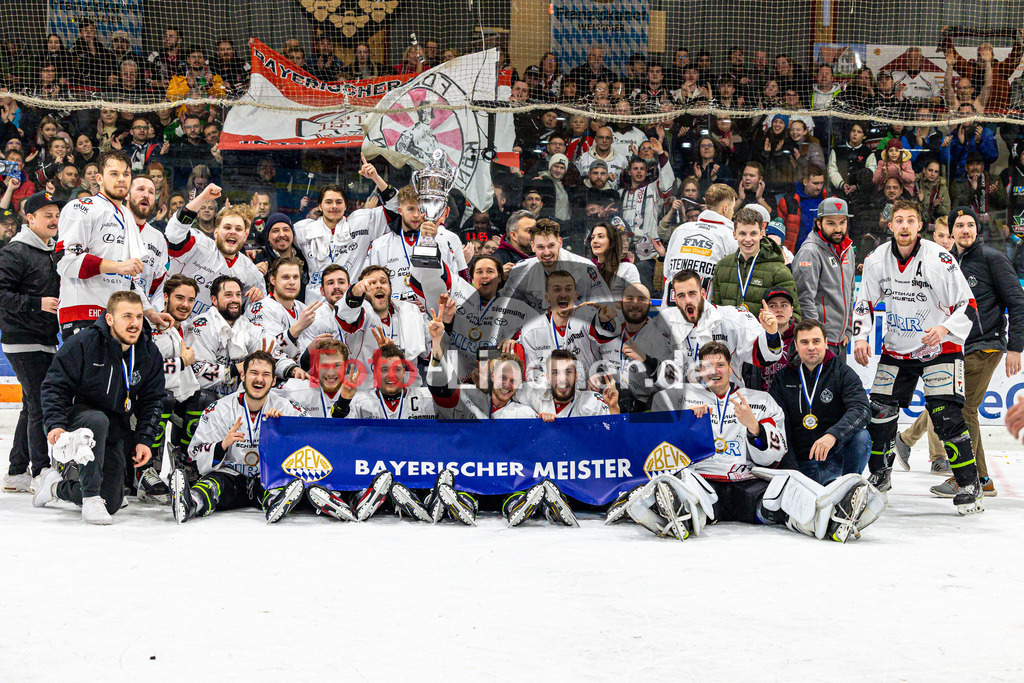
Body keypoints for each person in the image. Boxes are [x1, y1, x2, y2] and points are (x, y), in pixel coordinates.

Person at [644, 341, 883, 543]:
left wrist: (754, 427)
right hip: (703, 479)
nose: (714, 371)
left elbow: (773, 456)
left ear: (730, 367)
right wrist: (683, 422)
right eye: (707, 366)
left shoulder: (759, 401)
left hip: (746, 481)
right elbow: (659, 447)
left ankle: (831, 520)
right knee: (685, 488)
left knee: (784, 489)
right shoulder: (680, 399)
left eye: (720, 365)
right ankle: (678, 514)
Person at [852, 200, 983, 514]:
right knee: (879, 412)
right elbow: (863, 302)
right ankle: (881, 474)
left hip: (941, 347)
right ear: (891, 225)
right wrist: (859, 336)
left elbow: (968, 305)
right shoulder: (876, 259)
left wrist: (944, 328)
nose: (905, 226)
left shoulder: (941, 259)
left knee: (946, 415)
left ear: (919, 225)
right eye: (899, 220)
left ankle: (969, 483)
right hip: (898, 347)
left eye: (911, 220)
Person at [35, 291, 165, 524]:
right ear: (109, 318)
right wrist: (55, 424)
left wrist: (145, 439)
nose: (134, 323)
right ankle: (91, 497)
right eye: (126, 316)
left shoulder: (148, 352)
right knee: (97, 420)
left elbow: (154, 399)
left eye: (138, 316)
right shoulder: (84, 343)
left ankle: (55, 487)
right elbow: (54, 385)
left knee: (112, 502)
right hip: (75, 419)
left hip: (114, 426)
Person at [926, 207, 1024, 499]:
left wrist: (1016, 347)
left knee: (963, 407)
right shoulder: (947, 262)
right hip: (959, 347)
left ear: (976, 230)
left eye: (970, 225)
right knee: (953, 406)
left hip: (987, 344)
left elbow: (1018, 303)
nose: (965, 230)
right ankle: (979, 477)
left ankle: (975, 478)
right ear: (951, 232)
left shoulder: (993, 259)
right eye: (960, 226)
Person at [169, 350, 307, 524]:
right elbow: (195, 452)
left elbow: (310, 446)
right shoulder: (219, 409)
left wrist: (284, 430)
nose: (259, 379)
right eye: (254, 373)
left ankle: (275, 502)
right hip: (231, 477)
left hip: (265, 477)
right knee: (213, 484)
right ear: (243, 375)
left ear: (273, 380)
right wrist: (221, 446)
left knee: (275, 485)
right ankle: (191, 502)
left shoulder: (287, 409)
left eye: (266, 374)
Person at [55, 151, 169, 337]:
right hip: (83, 313)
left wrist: (149, 313)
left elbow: (129, 280)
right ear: (99, 178)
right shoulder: (81, 207)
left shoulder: (126, 216)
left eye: (126, 174)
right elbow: (65, 260)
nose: (121, 179)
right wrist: (117, 266)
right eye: (114, 174)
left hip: (117, 316)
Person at [0, 192, 62, 493]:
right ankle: (40, 472)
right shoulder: (15, 252)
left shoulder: (49, 250)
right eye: (46, 214)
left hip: (44, 338)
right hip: (22, 340)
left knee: (30, 405)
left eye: (56, 215)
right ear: (30, 218)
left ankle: (15, 471)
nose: (53, 220)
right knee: (39, 403)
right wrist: (37, 303)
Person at [769, 320, 871, 485]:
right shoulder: (783, 378)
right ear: (795, 344)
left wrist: (833, 435)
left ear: (825, 343)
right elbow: (779, 425)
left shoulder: (843, 373)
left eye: (816, 341)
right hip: (800, 464)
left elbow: (862, 410)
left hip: (834, 459)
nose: (811, 347)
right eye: (804, 342)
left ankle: (850, 488)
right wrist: (792, 473)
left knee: (861, 437)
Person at [410, 255, 532, 381]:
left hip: (494, 384)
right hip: (457, 382)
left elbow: (525, 342)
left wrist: (514, 342)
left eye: (490, 271)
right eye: (479, 272)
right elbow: (446, 344)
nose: (484, 276)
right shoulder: (457, 301)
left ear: (499, 277)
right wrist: (448, 321)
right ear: (472, 277)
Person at [293, 157, 396, 302]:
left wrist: (376, 178)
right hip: (316, 309)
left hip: (352, 304)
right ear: (320, 206)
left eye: (339, 202)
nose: (334, 206)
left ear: (346, 206)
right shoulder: (303, 230)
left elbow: (395, 208)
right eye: (328, 202)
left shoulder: (360, 222)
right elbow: (279, 243)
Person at [660, 269, 782, 386]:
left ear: (703, 294)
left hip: (726, 399)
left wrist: (771, 334)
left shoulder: (732, 318)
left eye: (692, 293)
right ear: (675, 299)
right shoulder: (664, 322)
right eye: (681, 296)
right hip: (685, 399)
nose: (687, 301)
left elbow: (765, 358)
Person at [189, 276, 304, 397]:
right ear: (214, 300)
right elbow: (198, 375)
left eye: (238, 295)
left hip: (236, 400)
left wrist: (293, 370)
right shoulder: (202, 326)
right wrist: (237, 368)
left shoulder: (247, 326)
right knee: (202, 399)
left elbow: (274, 353)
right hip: (206, 398)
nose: (235, 299)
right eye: (228, 295)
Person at [164, 183, 265, 317]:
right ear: (216, 232)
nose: (233, 232)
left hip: (210, 335)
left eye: (238, 229)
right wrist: (202, 198)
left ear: (245, 236)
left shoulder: (251, 273)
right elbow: (173, 232)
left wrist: (258, 297)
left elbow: (260, 308)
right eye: (227, 227)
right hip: (169, 324)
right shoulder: (198, 244)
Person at [369, 184, 466, 303]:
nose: (416, 215)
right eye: (410, 209)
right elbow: (370, 285)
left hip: (430, 316)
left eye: (420, 209)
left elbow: (455, 283)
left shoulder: (441, 241)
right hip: (395, 315)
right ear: (400, 210)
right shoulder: (379, 246)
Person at [501, 219, 612, 313]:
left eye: (551, 246)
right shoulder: (520, 271)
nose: (547, 252)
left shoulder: (586, 268)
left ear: (559, 242)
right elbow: (503, 310)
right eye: (540, 247)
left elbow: (607, 307)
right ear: (532, 246)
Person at [792, 198, 856, 360]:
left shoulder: (847, 249)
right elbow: (804, 299)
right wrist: (817, 339)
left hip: (840, 341)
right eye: (831, 223)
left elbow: (850, 291)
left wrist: (848, 329)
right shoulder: (810, 252)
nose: (838, 229)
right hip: (821, 344)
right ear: (819, 223)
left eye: (842, 222)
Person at [711, 207, 801, 319]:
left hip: (763, 335)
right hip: (730, 335)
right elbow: (716, 309)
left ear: (761, 234)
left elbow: (794, 315)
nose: (748, 239)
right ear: (734, 234)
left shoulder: (779, 271)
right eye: (742, 234)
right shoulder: (722, 267)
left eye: (753, 233)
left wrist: (772, 335)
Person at [335, 265, 430, 369]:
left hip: (408, 383)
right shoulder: (359, 313)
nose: (378, 286)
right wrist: (355, 292)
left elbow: (431, 353)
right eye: (371, 283)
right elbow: (346, 315)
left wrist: (443, 329)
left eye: (383, 282)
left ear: (391, 289)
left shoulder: (410, 311)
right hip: (369, 384)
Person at [660, 183, 739, 308]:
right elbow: (731, 285)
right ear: (725, 208)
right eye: (733, 208)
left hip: (670, 315)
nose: (733, 212)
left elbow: (666, 276)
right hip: (703, 319)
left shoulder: (680, 231)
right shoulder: (730, 236)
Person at [246, 257, 323, 359]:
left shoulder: (302, 308)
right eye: (286, 277)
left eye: (295, 277)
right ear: (273, 280)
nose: (292, 282)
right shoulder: (262, 308)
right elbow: (268, 352)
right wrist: (298, 327)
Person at [776, 163, 829, 252]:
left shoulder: (828, 199)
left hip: (824, 251)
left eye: (821, 183)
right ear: (805, 182)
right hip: (796, 252)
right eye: (815, 183)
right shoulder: (788, 201)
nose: (819, 187)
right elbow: (778, 232)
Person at [588, 221, 640, 299]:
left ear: (612, 241)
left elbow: (635, 302)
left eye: (600, 236)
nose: (595, 241)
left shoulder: (627, 268)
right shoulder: (588, 269)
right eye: (593, 237)